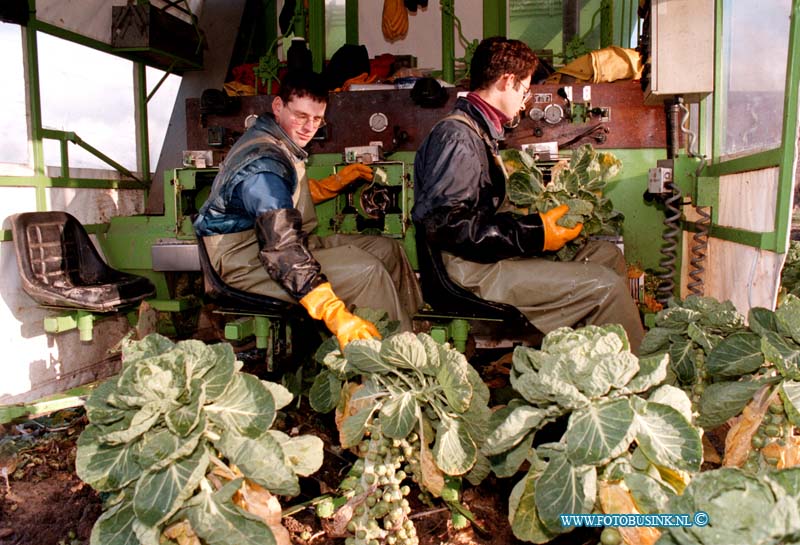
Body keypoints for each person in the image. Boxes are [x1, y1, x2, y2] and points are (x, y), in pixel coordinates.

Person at [412, 37, 644, 352]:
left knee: (607, 256)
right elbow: (449, 227)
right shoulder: (458, 138)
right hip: (466, 272)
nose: (525, 100)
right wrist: (535, 233)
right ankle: (641, 383)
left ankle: (586, 363)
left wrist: (536, 223)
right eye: (524, 89)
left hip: (479, 256)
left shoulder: (479, 131)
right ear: (506, 81)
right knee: (606, 287)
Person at [194, 71, 422, 349]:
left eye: (316, 119)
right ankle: (397, 363)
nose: (308, 127)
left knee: (387, 249)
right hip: (246, 263)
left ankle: (414, 332)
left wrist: (331, 185)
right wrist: (334, 313)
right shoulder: (263, 163)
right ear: (278, 106)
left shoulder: (277, 144)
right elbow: (282, 249)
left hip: (274, 245)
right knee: (366, 272)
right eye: (301, 116)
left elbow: (279, 201)